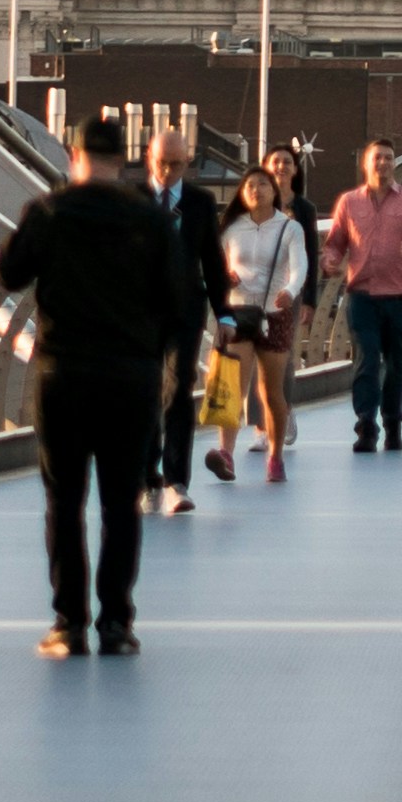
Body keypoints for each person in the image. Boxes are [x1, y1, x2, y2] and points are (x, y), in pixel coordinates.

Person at [0, 107, 178, 656]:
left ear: (74, 157)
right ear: (122, 162)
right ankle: (117, 624)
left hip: (63, 372)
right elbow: (175, 301)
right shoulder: (151, 219)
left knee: (64, 500)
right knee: (122, 501)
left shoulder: (50, 211)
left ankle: (68, 624)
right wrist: (150, 353)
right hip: (130, 374)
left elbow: (9, 273)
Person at [327, 141, 402, 454]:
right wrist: (330, 260)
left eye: (389, 158)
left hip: (400, 296)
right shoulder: (349, 202)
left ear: (395, 164)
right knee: (367, 358)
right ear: (366, 163)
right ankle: (365, 423)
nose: (383, 164)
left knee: (398, 364)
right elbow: (335, 242)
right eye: (378, 158)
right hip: (362, 295)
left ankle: (392, 421)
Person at [143, 124, 228, 516]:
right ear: (150, 158)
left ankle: (176, 481)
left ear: (187, 163)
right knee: (144, 391)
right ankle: (147, 480)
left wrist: (223, 311)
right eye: (163, 163)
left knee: (178, 390)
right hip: (140, 311)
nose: (168, 171)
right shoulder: (133, 200)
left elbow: (212, 258)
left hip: (185, 310)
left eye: (177, 164)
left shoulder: (200, 202)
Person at [214, 149, 311, 486]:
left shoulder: (289, 229)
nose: (256, 190)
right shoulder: (231, 228)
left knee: (271, 392)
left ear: (274, 190)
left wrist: (291, 289)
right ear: (243, 193)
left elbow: (300, 266)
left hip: (274, 313)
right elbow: (216, 267)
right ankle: (225, 454)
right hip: (239, 312)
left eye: (262, 184)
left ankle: (276, 456)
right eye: (250, 185)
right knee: (232, 387)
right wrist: (226, 277)